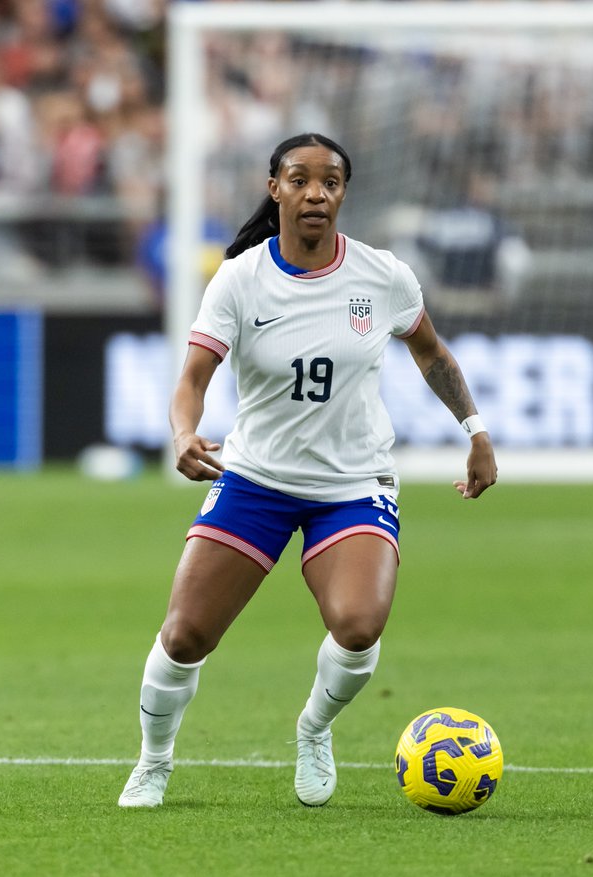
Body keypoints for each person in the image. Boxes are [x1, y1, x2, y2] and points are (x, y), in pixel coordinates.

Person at [118, 132, 498, 809]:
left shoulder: (382, 275)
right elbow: (192, 379)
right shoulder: (239, 278)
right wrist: (182, 431)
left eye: (330, 181)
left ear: (344, 192)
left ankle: (314, 728)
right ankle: (153, 759)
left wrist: (476, 431)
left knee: (358, 624)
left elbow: (432, 352)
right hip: (255, 478)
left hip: (352, 483)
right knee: (185, 634)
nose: (315, 192)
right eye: (300, 179)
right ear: (276, 189)